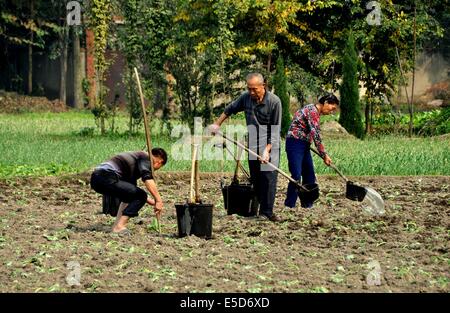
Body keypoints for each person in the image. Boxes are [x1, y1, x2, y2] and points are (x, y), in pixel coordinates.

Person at [210, 72, 282, 222]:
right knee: (256, 179)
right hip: (253, 143)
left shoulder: (275, 102)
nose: (251, 92)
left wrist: (267, 150)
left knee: (268, 179)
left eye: (254, 89)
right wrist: (217, 124)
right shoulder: (246, 98)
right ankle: (264, 211)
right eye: (249, 88)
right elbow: (229, 109)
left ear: (263, 86)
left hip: (271, 144)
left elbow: (275, 131)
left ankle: (266, 212)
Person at [90, 148, 168, 234]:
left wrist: (151, 202)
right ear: (159, 162)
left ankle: (117, 226)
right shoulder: (146, 157)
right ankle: (119, 227)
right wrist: (159, 200)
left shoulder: (134, 161)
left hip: (96, 179)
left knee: (130, 196)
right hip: (106, 176)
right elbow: (147, 178)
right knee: (140, 195)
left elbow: (131, 190)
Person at [284, 93, 339, 209]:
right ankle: (289, 206)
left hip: (304, 144)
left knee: (309, 174)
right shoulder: (312, 111)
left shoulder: (315, 112)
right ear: (325, 103)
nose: (331, 112)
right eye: (332, 108)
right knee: (296, 175)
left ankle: (307, 204)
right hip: (295, 143)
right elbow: (316, 135)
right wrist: (324, 155)